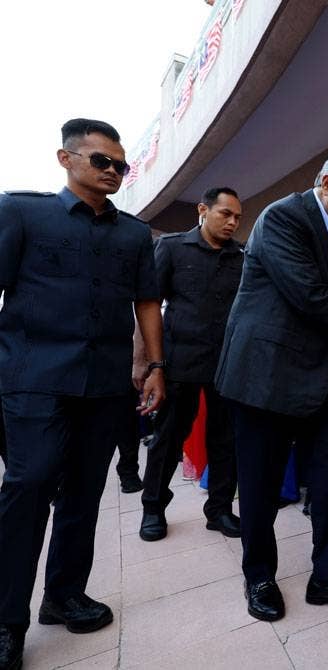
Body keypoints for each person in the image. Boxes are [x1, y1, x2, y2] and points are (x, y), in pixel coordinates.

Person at [0, 119, 164, 670]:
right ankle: (6, 622)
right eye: (102, 161)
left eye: (121, 165)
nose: (114, 171)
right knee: (28, 486)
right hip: (33, 379)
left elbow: (146, 303)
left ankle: (64, 596)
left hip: (103, 385)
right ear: (65, 159)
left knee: (83, 495)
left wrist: (154, 364)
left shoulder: (135, 235)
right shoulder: (20, 212)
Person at [215, 149, 328, 623]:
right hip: (266, 379)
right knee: (261, 487)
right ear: (324, 181)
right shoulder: (284, 218)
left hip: (318, 382)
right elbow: (309, 297)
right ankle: (259, 577)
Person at [136, 187, 245, 542]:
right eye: (225, 214)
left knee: (225, 439)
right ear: (203, 209)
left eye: (237, 217)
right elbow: (148, 305)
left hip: (226, 364)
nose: (232, 222)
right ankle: (153, 507)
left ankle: (219, 510)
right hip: (179, 361)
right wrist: (150, 364)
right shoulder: (170, 248)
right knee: (168, 439)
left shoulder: (241, 256)